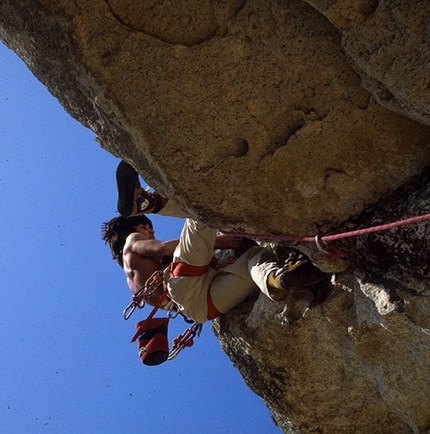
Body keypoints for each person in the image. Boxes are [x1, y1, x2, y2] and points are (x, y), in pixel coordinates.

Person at [102, 161, 328, 324]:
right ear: (131, 228)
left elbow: (178, 289)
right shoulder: (131, 242)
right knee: (200, 213)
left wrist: (212, 264)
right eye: (145, 226)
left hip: (201, 310)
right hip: (185, 285)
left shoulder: (132, 280)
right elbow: (164, 248)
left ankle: (277, 279)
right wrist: (219, 242)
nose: (151, 231)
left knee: (254, 259)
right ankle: (145, 203)